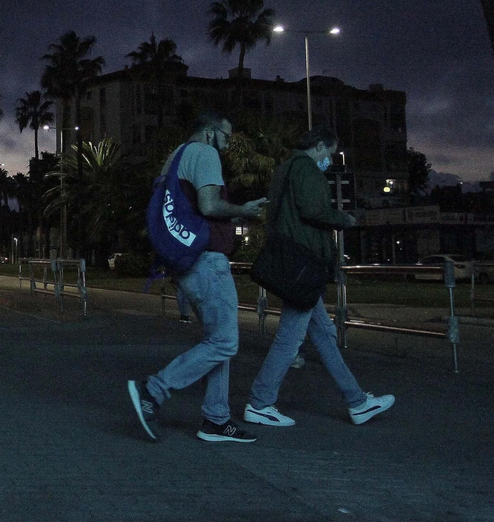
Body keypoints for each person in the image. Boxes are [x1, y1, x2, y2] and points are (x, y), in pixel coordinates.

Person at [128, 113, 267, 444]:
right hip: (207, 262)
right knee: (225, 342)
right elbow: (208, 205)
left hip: (187, 261)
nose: (227, 145)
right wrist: (243, 210)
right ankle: (153, 390)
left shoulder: (176, 156)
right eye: (226, 137)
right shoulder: (204, 152)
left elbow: (188, 206)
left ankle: (216, 419)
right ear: (210, 132)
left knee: (217, 341)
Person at [242, 126, 394, 428]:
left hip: (293, 262)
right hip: (305, 263)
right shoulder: (306, 169)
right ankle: (259, 402)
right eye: (331, 153)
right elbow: (313, 210)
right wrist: (343, 219)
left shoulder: (285, 169)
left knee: (323, 334)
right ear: (320, 146)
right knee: (290, 338)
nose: (330, 160)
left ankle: (357, 401)